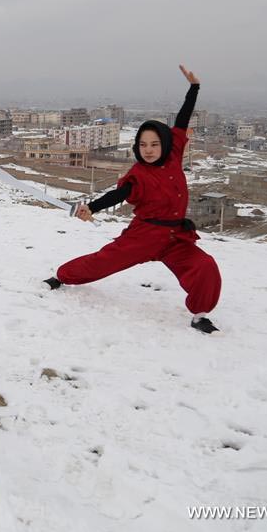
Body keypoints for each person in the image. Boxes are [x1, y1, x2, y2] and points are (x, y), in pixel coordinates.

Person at [42, 65, 222, 334]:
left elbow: (182, 120)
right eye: (142, 145)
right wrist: (91, 207)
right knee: (102, 262)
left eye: (154, 144)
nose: (148, 150)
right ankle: (60, 276)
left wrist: (194, 88)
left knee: (204, 266)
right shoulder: (138, 174)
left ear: (164, 144)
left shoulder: (174, 155)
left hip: (176, 238)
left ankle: (199, 315)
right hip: (143, 236)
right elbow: (119, 194)